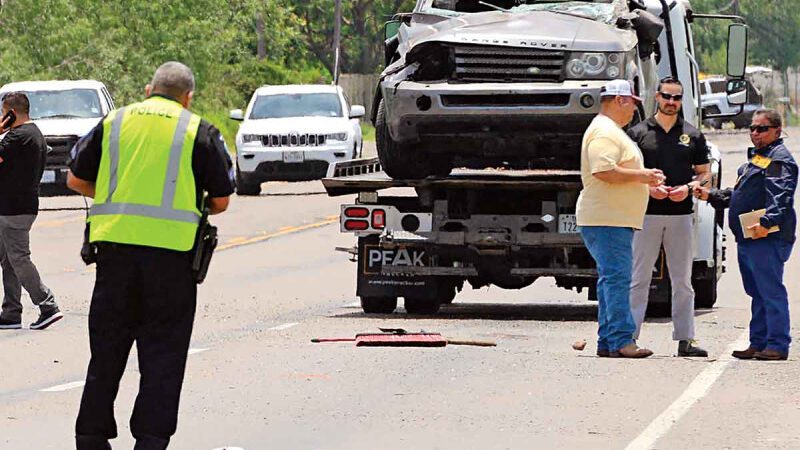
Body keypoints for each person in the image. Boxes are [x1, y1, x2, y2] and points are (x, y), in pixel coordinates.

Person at [68, 61, 234, 449]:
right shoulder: (198, 130)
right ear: (188, 97)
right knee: (163, 356)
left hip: (114, 258)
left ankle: (90, 436)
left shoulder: (114, 122)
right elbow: (222, 200)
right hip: (172, 262)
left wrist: (120, 196)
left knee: (106, 350)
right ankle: (151, 439)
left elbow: (75, 178)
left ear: (148, 90)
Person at [695, 109, 797, 361]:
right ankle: (759, 342)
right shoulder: (759, 158)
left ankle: (777, 344)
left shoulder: (778, 159)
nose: (755, 133)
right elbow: (741, 194)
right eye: (752, 128)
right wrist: (712, 196)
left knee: (770, 290)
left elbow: (781, 196)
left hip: (766, 236)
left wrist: (766, 223)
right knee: (758, 291)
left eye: (761, 129)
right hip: (750, 236)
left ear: (776, 130)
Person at [576, 79, 666, 358]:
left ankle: (609, 340)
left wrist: (647, 187)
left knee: (610, 279)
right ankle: (621, 340)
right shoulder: (605, 132)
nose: (634, 110)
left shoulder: (609, 130)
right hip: (608, 218)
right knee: (617, 278)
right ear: (620, 100)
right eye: (633, 103)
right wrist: (644, 176)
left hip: (609, 217)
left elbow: (612, 173)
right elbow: (604, 170)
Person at [626, 77, 710, 357]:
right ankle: (629, 336)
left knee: (682, 280)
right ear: (657, 98)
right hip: (646, 214)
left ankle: (686, 339)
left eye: (677, 98)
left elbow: (705, 172)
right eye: (667, 96)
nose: (672, 102)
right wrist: (648, 188)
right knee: (638, 279)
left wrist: (688, 189)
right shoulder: (638, 133)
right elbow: (625, 172)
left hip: (680, 215)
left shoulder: (693, 135)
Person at [0, 91, 62, 330]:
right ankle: (11, 312)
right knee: (8, 260)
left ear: (11, 113)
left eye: (4, 113)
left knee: (18, 259)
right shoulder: (32, 133)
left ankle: (48, 306)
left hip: (14, 209)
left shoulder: (19, 136)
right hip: (17, 206)